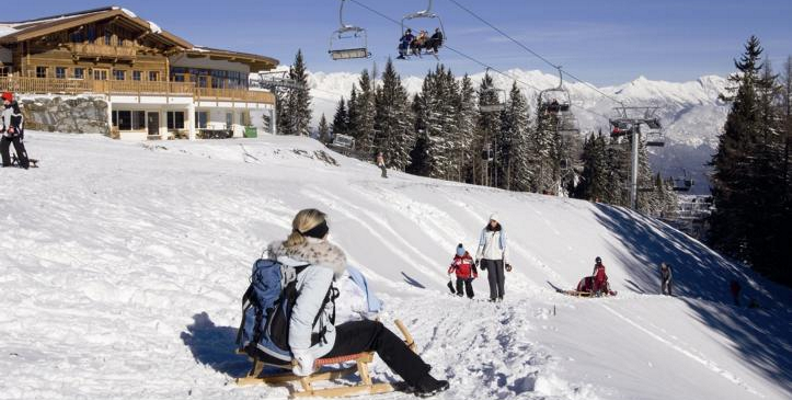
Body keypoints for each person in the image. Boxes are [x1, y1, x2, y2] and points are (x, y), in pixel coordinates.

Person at [263, 209, 449, 396]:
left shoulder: (280, 258)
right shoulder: (319, 267)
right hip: (307, 344)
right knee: (375, 331)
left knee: (356, 327)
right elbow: (302, 314)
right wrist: (301, 355)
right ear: (322, 233)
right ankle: (423, 381)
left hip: (270, 338)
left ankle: (410, 366)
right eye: (326, 228)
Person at [476, 214, 507, 302]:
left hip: (499, 258)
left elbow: (505, 247)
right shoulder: (485, 231)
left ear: (497, 222)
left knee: (500, 277)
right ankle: (493, 296)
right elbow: (481, 245)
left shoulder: (501, 232)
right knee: (492, 277)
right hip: (488, 257)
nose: (493, 222)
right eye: (491, 221)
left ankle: (501, 295)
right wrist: (478, 258)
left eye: (494, 221)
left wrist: (508, 262)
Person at [0, 92, 29, 169]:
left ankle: (25, 164)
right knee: (3, 147)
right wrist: (3, 129)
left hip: (16, 133)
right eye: (3, 100)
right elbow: (5, 122)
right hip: (7, 133)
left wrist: (13, 127)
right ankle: (6, 163)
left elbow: (19, 119)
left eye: (5, 99)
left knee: (19, 148)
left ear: (9, 100)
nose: (4, 101)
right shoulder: (4, 110)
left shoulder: (14, 109)